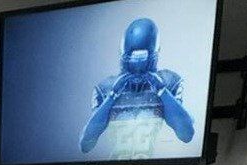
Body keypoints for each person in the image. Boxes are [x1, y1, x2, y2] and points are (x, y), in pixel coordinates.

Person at [80, 18, 195, 156]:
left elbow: (186, 135)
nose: (138, 70)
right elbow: (86, 144)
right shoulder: (106, 88)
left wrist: (163, 92)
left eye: (143, 62)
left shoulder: (169, 81)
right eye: (133, 62)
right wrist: (111, 97)